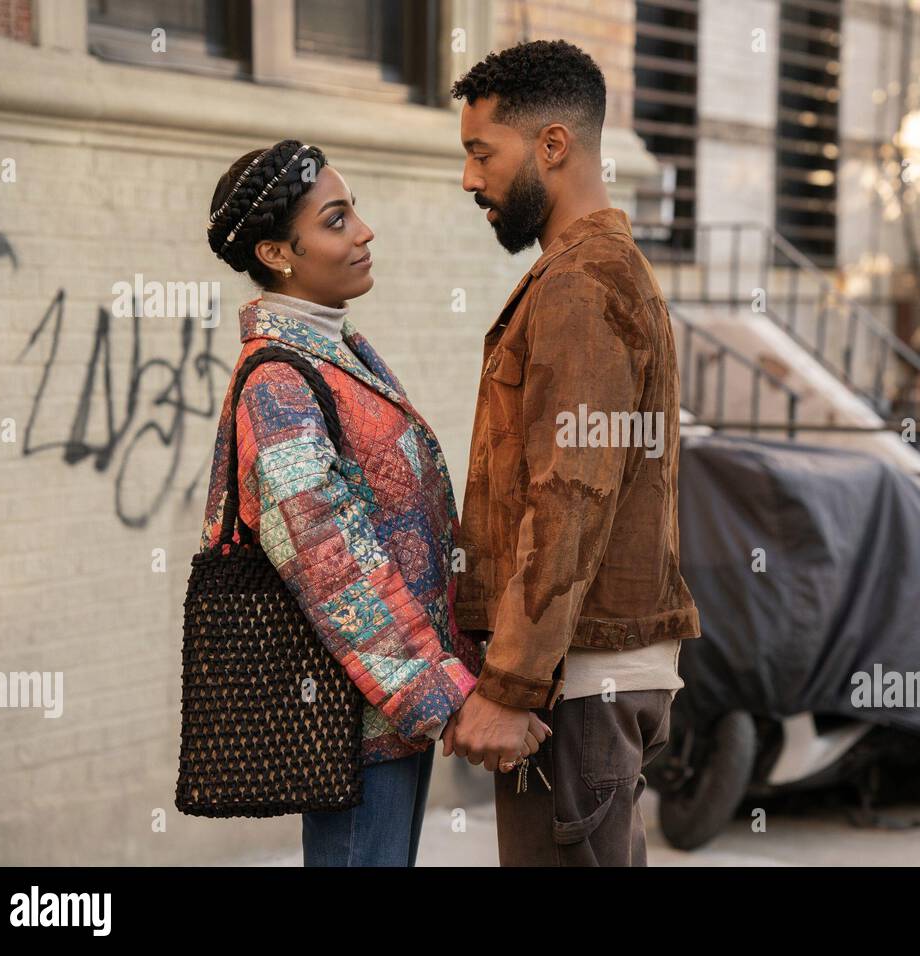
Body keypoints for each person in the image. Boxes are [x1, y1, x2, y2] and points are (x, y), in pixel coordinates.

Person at [198, 138, 549, 866]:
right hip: (353, 720)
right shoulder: (279, 384)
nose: (364, 231)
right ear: (276, 252)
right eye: (336, 219)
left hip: (386, 712)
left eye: (353, 210)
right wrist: (449, 697)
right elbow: (335, 567)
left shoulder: (338, 352)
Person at [444, 41, 703, 866]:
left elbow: (571, 499)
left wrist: (510, 686)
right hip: (579, 673)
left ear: (552, 146)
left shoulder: (585, 285)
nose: (469, 180)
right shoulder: (593, 272)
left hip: (573, 683)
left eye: (482, 153)